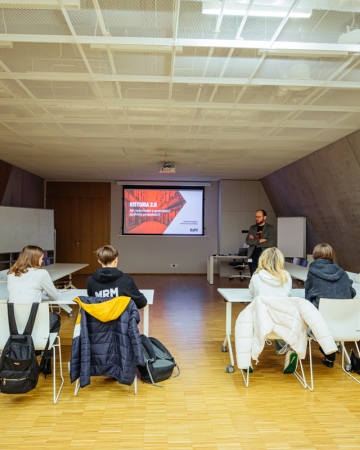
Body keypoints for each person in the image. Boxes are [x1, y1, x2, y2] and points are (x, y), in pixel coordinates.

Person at [7, 245, 61, 375]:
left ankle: (34, 351)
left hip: (13, 326)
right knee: (55, 318)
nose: (42, 261)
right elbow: (56, 296)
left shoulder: (11, 273)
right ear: (34, 259)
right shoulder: (41, 273)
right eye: (41, 258)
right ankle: (46, 358)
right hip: (33, 324)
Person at [305, 243, 356, 368]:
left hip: (320, 322)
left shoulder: (312, 273)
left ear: (315, 255)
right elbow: (352, 293)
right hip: (344, 322)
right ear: (332, 255)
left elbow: (308, 297)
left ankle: (326, 347)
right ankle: (330, 350)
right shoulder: (343, 273)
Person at [249, 246, 298, 373]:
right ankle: (288, 351)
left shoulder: (257, 277)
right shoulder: (287, 277)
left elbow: (252, 294)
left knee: (248, 320)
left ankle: (248, 357)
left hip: (262, 322)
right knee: (280, 318)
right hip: (283, 322)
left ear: (262, 260)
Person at [87, 245, 147, 309]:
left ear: (99, 260)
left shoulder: (90, 280)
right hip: (121, 318)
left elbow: (92, 299)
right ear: (116, 259)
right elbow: (141, 303)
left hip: (99, 317)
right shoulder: (126, 280)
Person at [246, 209, 275, 276]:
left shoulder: (270, 228)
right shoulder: (252, 228)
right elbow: (248, 241)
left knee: (264, 276)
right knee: (253, 276)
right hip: (252, 256)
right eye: (256, 217)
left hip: (264, 256)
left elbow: (270, 243)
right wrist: (260, 240)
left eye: (259, 217)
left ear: (264, 217)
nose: (257, 218)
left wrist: (255, 242)